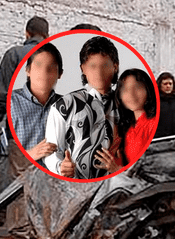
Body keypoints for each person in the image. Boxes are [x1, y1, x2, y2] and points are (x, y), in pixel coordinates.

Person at [44, 35, 120, 179]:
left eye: (105, 65)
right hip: (78, 188)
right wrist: (60, 166)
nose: (98, 73)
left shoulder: (127, 104)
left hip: (119, 186)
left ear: (115, 67)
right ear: (83, 69)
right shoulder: (64, 106)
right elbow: (50, 150)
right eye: (92, 66)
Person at [0, 16, 49, 185]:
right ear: (47, 35)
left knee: (19, 185)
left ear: (27, 34)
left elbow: (3, 95)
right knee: (45, 186)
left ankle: (19, 213)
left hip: (20, 132)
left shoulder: (14, 54)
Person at [10, 42, 63, 168]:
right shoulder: (11, 103)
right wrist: (30, 155)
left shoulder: (67, 105)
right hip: (20, 181)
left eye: (51, 68)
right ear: (28, 71)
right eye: (38, 66)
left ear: (60, 74)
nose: (44, 73)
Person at [94, 69, 158, 173]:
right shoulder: (128, 129)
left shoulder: (153, 124)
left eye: (137, 87)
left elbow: (155, 169)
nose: (131, 94)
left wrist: (118, 170)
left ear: (148, 90)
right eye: (125, 90)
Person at [154, 72, 175, 138]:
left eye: (170, 84)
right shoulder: (153, 100)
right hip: (158, 141)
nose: (168, 86)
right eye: (165, 84)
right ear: (160, 85)